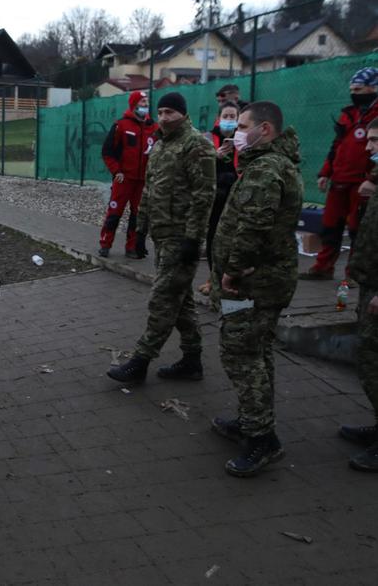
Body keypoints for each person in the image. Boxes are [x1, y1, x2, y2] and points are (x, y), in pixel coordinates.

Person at [208, 101, 304, 477]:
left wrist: (231, 271)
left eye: (243, 125)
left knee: (240, 352)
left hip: (250, 284)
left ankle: (262, 439)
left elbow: (253, 226)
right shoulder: (269, 164)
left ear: (265, 129)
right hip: (260, 281)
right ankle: (253, 420)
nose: (237, 131)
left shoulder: (266, 170)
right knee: (257, 351)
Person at [107, 92, 216, 383]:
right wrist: (141, 229)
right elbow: (150, 191)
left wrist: (194, 239)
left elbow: (204, 196)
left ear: (182, 113)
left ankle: (140, 361)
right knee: (181, 302)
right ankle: (192, 360)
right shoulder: (159, 146)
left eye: (170, 112)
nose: (164, 117)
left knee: (163, 299)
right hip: (162, 236)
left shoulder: (197, 145)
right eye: (161, 112)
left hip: (182, 238)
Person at [300, 67, 378, 281]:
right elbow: (336, 146)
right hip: (340, 179)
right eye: (352, 89)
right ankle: (323, 267)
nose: (354, 93)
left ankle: (352, 274)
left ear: (373, 88)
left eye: (358, 89)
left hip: (362, 183)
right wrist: (325, 173)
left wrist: (373, 179)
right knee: (330, 226)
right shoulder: (348, 114)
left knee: (357, 229)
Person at [338, 117, 378, 472]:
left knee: (373, 358)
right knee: (369, 356)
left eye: (376, 141)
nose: (369, 146)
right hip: (370, 282)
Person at [98, 90, 158, 258]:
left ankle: (131, 247)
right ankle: (105, 243)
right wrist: (117, 171)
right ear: (134, 105)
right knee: (114, 213)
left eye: (146, 103)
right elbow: (107, 152)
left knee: (138, 216)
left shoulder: (153, 127)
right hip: (124, 179)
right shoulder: (121, 126)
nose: (145, 106)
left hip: (142, 181)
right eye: (142, 103)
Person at [199, 101, 241, 295]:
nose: (229, 120)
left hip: (236, 198)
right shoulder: (207, 138)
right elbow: (196, 164)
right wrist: (213, 156)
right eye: (226, 116)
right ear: (219, 118)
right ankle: (212, 277)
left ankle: (229, 279)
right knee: (213, 237)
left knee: (234, 239)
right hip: (215, 197)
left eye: (233, 117)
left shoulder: (242, 140)